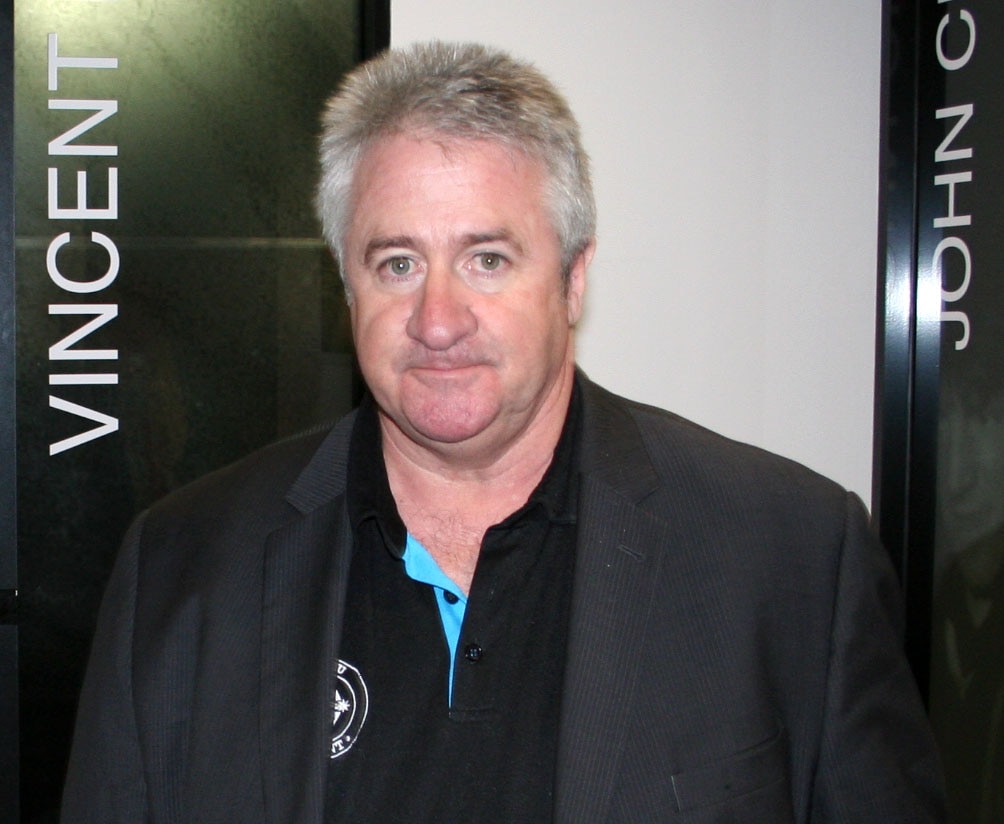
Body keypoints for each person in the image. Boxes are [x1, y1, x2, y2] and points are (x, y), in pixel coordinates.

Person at [61, 41, 945, 823]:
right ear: (346, 287)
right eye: (397, 263)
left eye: (488, 259)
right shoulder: (182, 570)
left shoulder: (791, 559)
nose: (438, 319)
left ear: (572, 279)